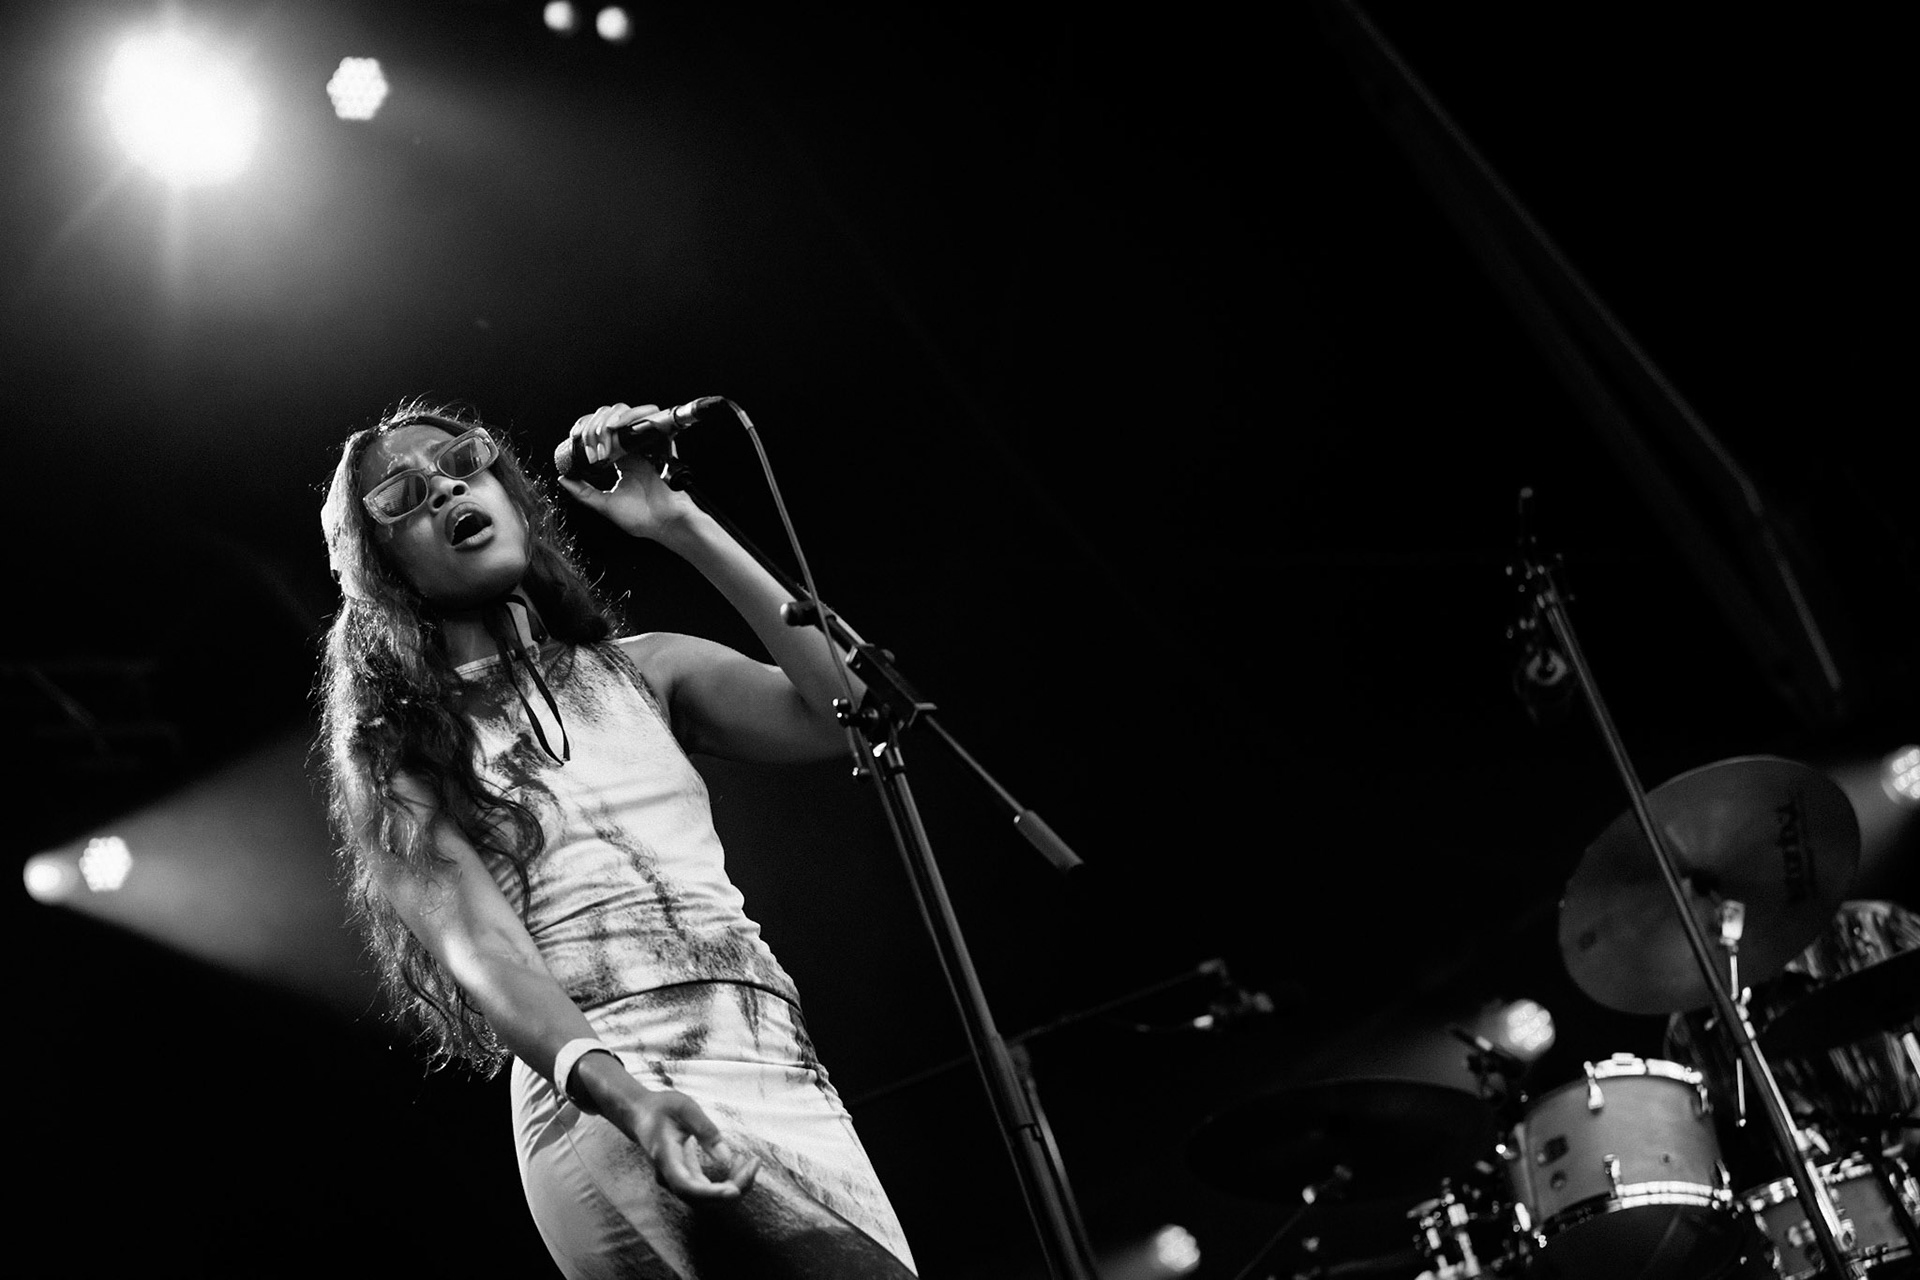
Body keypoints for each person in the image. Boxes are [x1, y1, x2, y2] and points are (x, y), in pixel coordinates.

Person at [317, 399, 917, 1279]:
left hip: (773, 1062)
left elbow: (854, 713)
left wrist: (682, 525)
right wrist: (629, 1100)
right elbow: (485, 949)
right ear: (381, 568)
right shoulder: (396, 749)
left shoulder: (647, 669)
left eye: (465, 463)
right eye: (405, 495)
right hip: (601, 1087)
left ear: (510, 492)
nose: (447, 487)